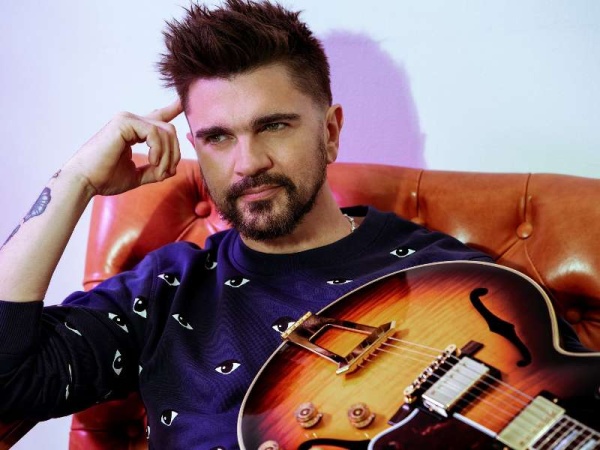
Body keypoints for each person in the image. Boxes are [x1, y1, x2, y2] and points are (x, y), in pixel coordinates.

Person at [0, 1, 585, 448]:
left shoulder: (457, 282)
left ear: (329, 132)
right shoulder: (165, 290)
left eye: (274, 125)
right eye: (217, 137)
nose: (247, 163)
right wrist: (75, 180)